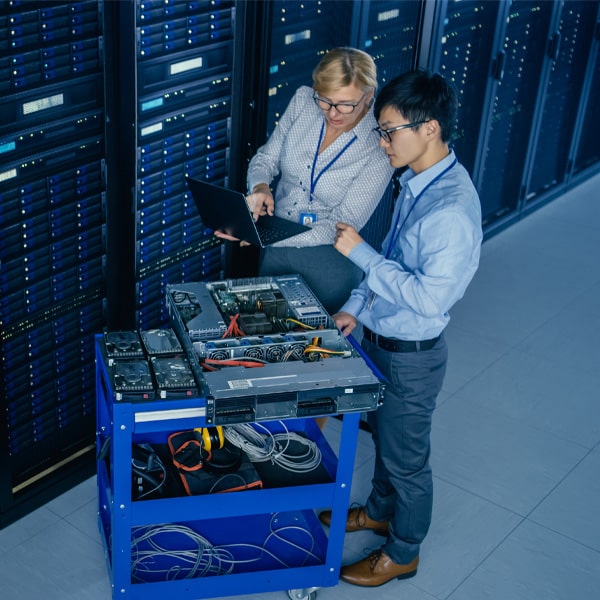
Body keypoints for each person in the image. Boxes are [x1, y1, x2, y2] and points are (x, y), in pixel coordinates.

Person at [318, 69, 483, 587]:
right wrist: (356, 311)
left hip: (413, 355)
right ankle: (379, 512)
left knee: (407, 461)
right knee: (388, 444)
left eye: (389, 131)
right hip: (384, 341)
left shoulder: (451, 210)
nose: (382, 142)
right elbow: (390, 262)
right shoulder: (417, 182)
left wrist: (357, 252)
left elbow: (429, 298)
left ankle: (403, 551)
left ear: (428, 129)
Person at [218, 47, 394, 315]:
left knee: (316, 351)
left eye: (346, 105)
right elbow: (265, 160)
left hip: (328, 264)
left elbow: (345, 224)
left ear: (369, 96)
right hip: (275, 254)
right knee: (266, 342)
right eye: (325, 100)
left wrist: (263, 235)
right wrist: (260, 187)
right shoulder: (303, 101)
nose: (333, 113)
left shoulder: (378, 143)